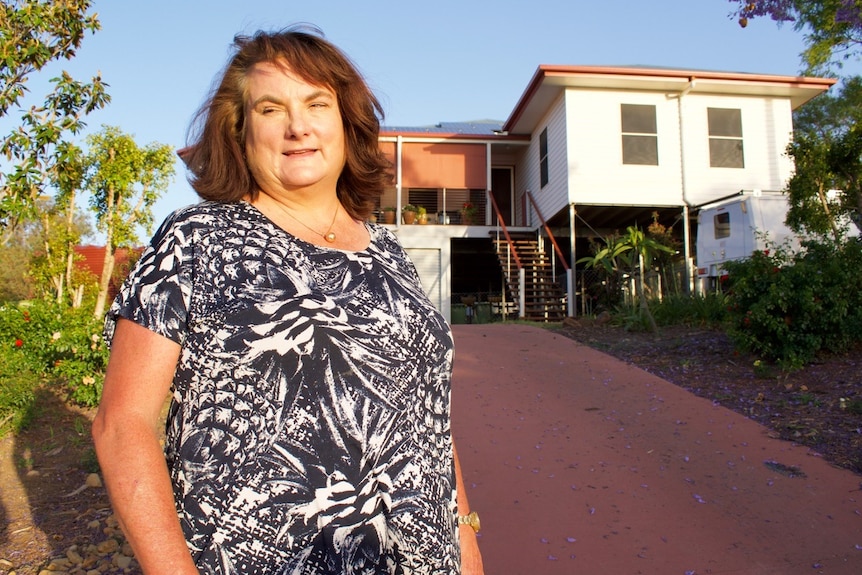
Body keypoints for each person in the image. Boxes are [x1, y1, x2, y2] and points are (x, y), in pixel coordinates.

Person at [92, 26, 484, 575]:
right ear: (240, 131)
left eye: (317, 103)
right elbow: (122, 423)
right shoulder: (197, 241)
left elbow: (428, 418)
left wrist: (466, 539)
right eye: (271, 108)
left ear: (347, 123)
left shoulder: (390, 255)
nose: (298, 126)